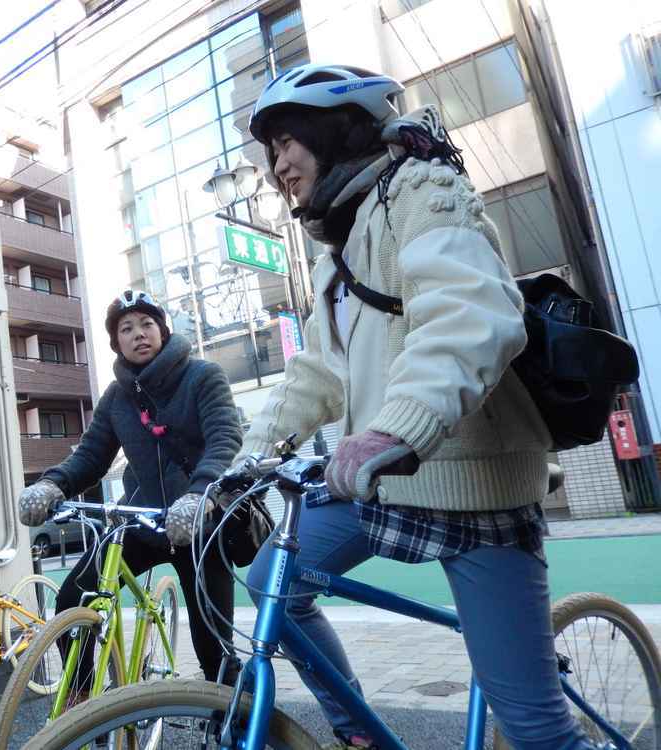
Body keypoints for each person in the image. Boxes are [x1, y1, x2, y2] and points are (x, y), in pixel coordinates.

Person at [234, 64, 593, 749]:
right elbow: (318, 371)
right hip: (386, 478)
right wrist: (245, 460)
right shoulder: (335, 249)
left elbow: (471, 313)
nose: (277, 165)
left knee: (535, 728)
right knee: (273, 581)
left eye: (286, 142)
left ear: (333, 132)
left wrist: (393, 429)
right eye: (270, 152)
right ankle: (357, 732)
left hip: (469, 476)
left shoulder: (424, 190)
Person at [17, 289, 243, 691]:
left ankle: (234, 721)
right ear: (116, 341)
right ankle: (83, 701)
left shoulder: (202, 376)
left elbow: (224, 437)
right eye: (127, 328)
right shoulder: (118, 397)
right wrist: (53, 483)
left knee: (212, 641)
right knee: (74, 597)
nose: (139, 333)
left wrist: (199, 494)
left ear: (162, 330)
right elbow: (91, 455)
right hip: (142, 521)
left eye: (147, 324)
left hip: (198, 525)